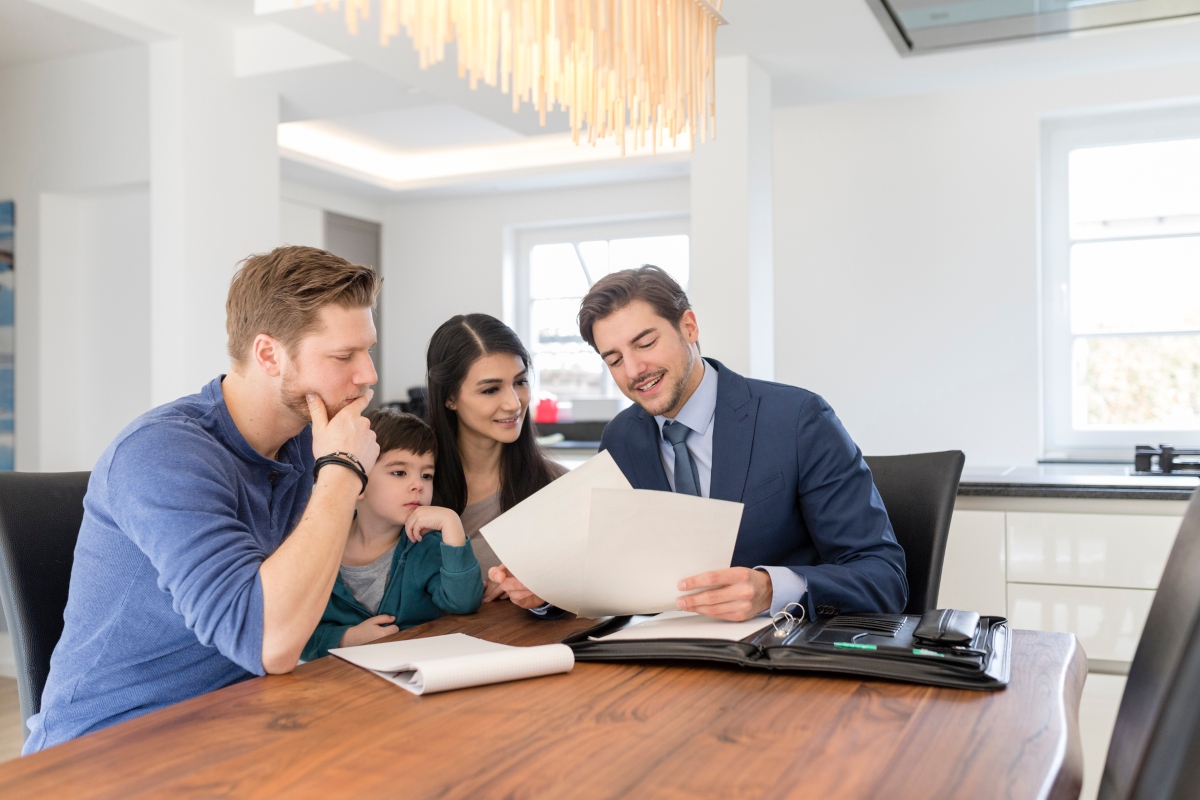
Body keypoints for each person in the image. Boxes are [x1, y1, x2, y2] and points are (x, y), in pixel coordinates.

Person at [25, 246, 382, 753]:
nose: (367, 374)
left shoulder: (308, 440)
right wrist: (343, 474)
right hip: (105, 749)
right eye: (344, 357)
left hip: (234, 721)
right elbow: (268, 642)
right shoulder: (162, 453)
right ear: (267, 354)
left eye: (368, 350)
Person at [577, 265, 908, 622]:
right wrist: (546, 590)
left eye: (645, 344)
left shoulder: (797, 419)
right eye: (614, 359)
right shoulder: (620, 438)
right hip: (668, 653)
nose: (633, 370)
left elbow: (884, 577)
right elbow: (611, 568)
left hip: (781, 650)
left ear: (689, 327)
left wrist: (771, 589)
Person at [301, 409, 483, 660]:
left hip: (414, 674)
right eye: (399, 472)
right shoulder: (316, 547)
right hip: (340, 683)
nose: (418, 484)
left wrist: (452, 525)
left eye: (427, 475)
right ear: (357, 481)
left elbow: (464, 603)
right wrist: (347, 639)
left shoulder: (427, 545)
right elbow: (298, 633)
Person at [423, 313, 566, 607]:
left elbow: (588, 596)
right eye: (490, 389)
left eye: (521, 382)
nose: (514, 403)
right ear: (449, 397)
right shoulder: (410, 484)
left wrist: (544, 595)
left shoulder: (557, 487)